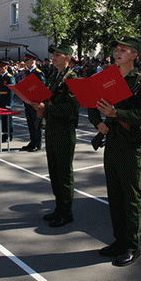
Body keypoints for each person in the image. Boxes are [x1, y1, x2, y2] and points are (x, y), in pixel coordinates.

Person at [88, 36, 141, 267]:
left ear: (134, 55)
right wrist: (98, 122)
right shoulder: (108, 78)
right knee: (115, 196)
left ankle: (132, 246)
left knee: (130, 197)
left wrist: (119, 114)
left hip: (129, 145)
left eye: (123, 50)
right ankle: (119, 240)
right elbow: (92, 103)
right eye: (117, 49)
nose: (117, 53)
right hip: (112, 142)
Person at [32, 44, 80, 228]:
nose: (53, 57)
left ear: (68, 57)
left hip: (64, 131)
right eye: (53, 54)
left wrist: (48, 109)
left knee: (63, 172)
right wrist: (41, 111)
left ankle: (66, 212)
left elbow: (71, 110)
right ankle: (59, 208)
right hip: (51, 128)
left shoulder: (73, 79)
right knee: (54, 171)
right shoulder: (55, 77)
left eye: (58, 54)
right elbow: (48, 101)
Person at [20, 54, 45, 152]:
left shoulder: (38, 73)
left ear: (33, 61)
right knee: (30, 123)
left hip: (35, 103)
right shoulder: (27, 72)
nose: (26, 63)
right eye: (25, 61)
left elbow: (42, 88)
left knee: (36, 123)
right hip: (28, 102)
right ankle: (32, 141)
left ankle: (37, 144)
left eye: (27, 61)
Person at [0, 61, 15, 142]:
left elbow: (11, 92)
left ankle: (9, 136)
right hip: (1, 101)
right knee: (2, 120)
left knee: (8, 120)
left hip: (6, 102)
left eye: (1, 67)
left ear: (5, 67)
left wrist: (9, 103)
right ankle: (3, 136)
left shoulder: (9, 77)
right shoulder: (0, 77)